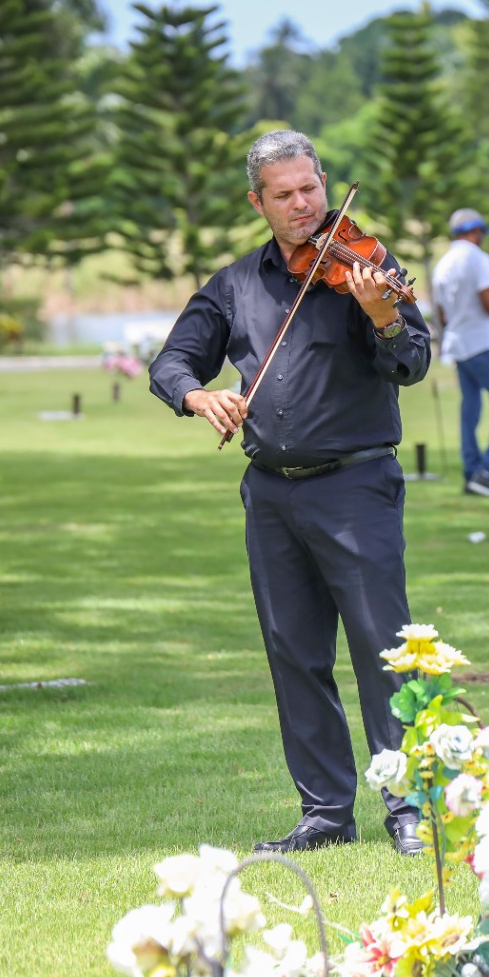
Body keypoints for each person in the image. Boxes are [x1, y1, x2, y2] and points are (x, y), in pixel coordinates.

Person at [149, 129, 430, 856]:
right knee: (294, 653)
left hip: (356, 486)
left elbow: (414, 361)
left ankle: (408, 807)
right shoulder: (235, 285)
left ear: (324, 181)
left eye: (311, 188)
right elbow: (173, 360)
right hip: (271, 496)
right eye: (285, 195)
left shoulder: (368, 265)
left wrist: (382, 317)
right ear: (259, 202)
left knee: (384, 650)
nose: (304, 204)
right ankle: (326, 813)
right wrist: (194, 397)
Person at [430, 207, 489, 498]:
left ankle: (471, 473)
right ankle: (486, 473)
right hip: (484, 343)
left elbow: (441, 315)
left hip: (458, 345)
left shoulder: (442, 265)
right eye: (481, 233)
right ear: (475, 231)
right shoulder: (480, 259)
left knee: (470, 409)